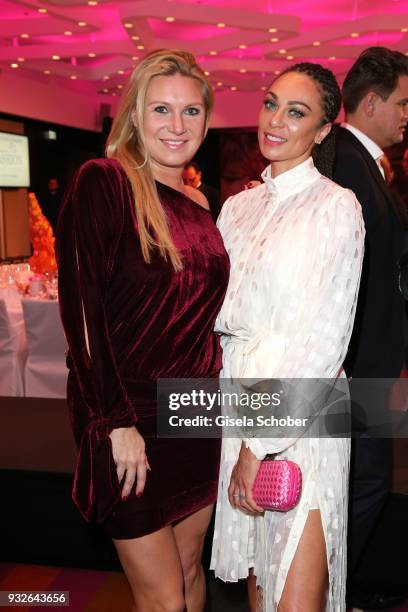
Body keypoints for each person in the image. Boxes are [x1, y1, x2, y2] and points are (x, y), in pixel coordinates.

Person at [56, 49, 229, 612]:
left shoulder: (204, 204)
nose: (176, 126)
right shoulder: (104, 182)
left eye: (191, 111)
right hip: (129, 417)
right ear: (134, 115)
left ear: (207, 119)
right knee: (161, 598)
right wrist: (114, 422)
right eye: (161, 109)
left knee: (186, 573)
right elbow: (83, 315)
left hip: (198, 411)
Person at [210, 63, 365, 612]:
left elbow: (324, 341)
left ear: (323, 130)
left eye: (296, 112)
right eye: (271, 103)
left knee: (294, 598)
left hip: (304, 413)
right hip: (240, 402)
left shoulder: (336, 206)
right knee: (260, 590)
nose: (275, 121)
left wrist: (258, 443)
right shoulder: (237, 208)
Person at [333, 47, 408, 606]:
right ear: (372, 101)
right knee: (363, 485)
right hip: (355, 369)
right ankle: (327, 590)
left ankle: (335, 588)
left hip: (368, 364)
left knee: (361, 485)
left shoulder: (362, 163)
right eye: (403, 103)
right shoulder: (344, 163)